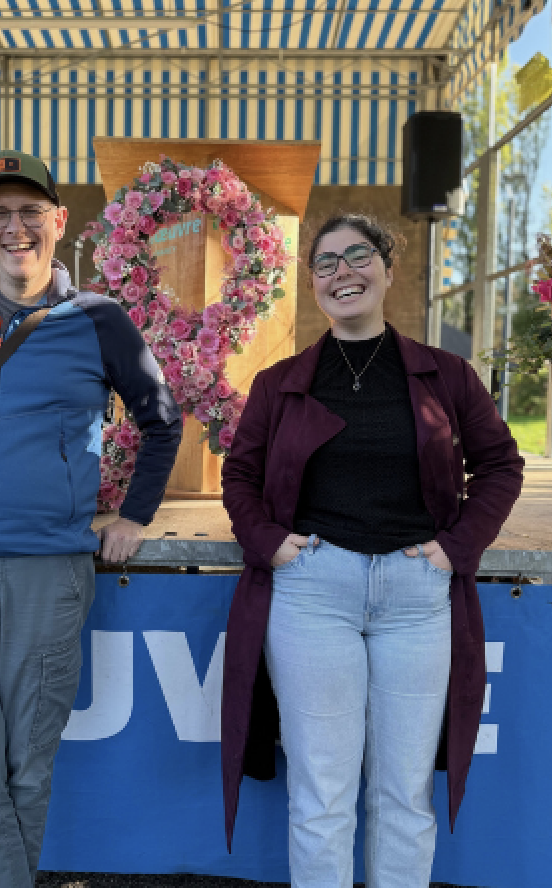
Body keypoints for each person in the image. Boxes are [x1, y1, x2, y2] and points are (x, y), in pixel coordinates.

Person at [0, 148, 182, 888]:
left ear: (59, 221)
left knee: (24, 771)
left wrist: (135, 516)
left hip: (46, 574)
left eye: (29, 212)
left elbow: (162, 419)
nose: (14, 226)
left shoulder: (99, 318)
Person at [220, 213, 524, 888]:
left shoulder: (447, 376)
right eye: (325, 263)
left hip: (416, 595)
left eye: (358, 256)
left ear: (388, 269)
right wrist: (269, 543)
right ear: (313, 283)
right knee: (321, 792)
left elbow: (501, 465)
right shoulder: (280, 382)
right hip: (313, 592)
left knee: (404, 794)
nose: (342, 273)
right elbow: (239, 475)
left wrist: (457, 548)